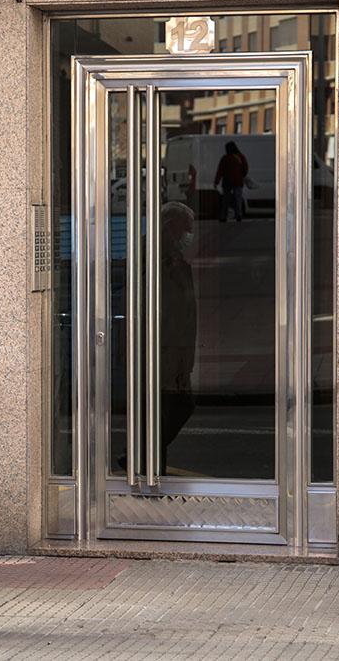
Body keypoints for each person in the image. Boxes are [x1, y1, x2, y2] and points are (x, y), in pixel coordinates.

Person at [159, 202, 198, 474]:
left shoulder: (171, 255)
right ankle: (147, 463)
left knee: (173, 408)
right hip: (165, 348)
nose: (189, 235)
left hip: (176, 348)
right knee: (175, 406)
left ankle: (148, 461)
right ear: (171, 226)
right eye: (186, 229)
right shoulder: (156, 255)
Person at [213, 141, 249, 222]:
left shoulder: (225, 158)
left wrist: (216, 182)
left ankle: (223, 216)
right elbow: (245, 169)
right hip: (238, 182)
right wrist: (241, 176)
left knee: (226, 200)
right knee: (238, 199)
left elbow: (220, 171)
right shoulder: (240, 157)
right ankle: (238, 215)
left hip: (227, 182)